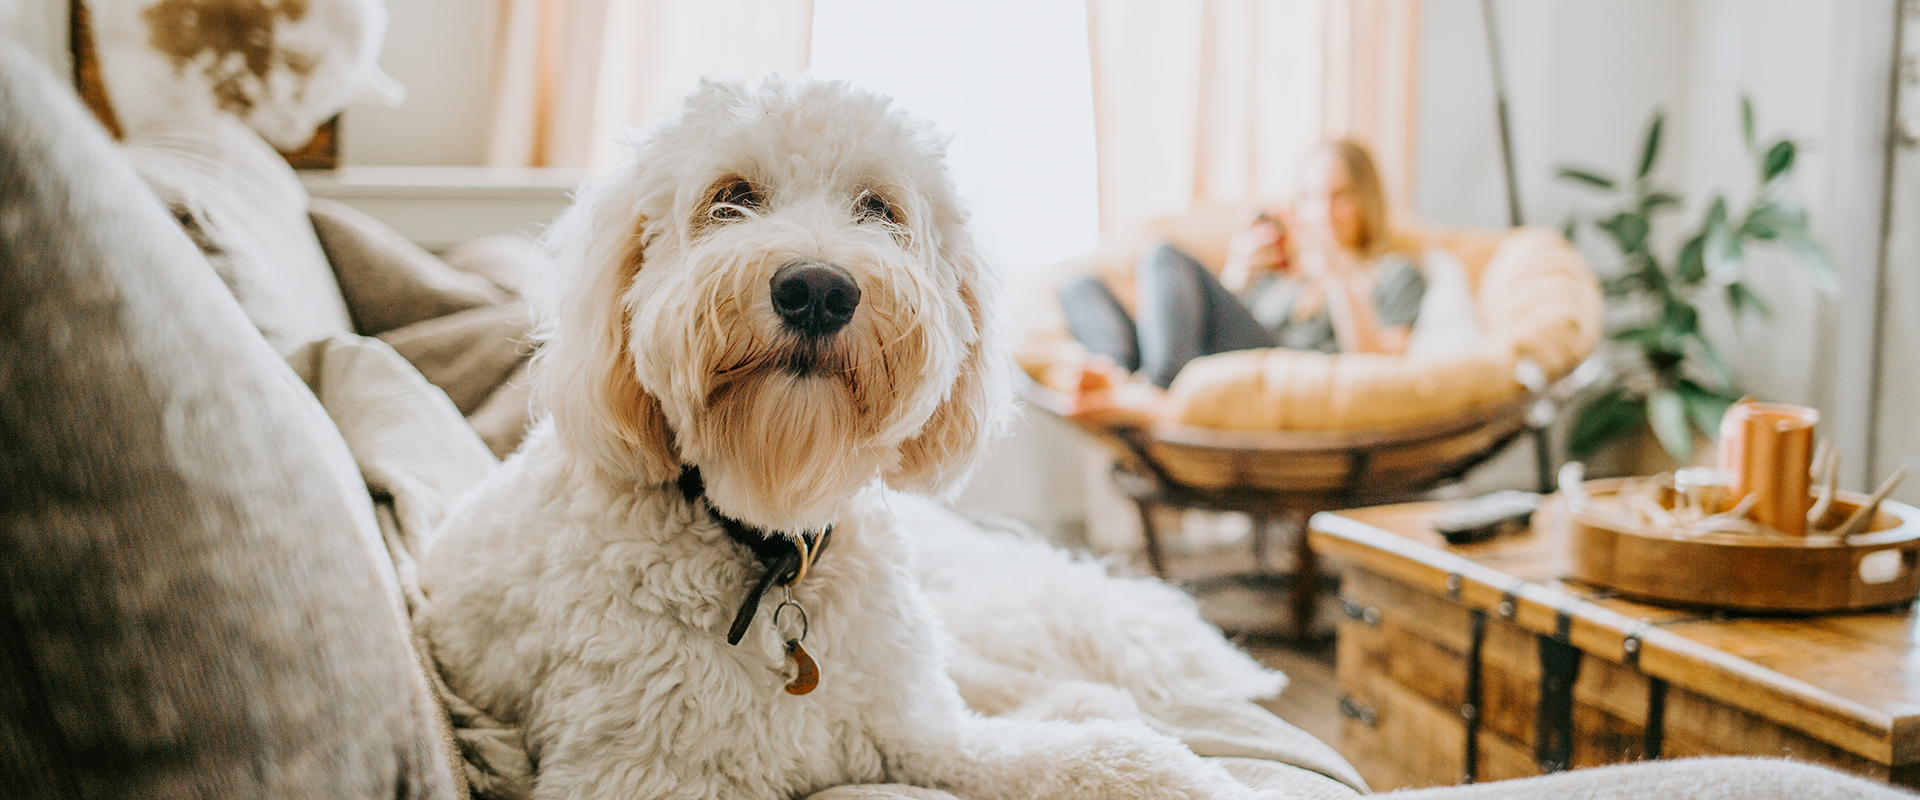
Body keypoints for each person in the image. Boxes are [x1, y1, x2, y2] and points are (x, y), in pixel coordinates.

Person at [1058, 139, 1427, 425]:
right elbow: (1204, 326)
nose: (1323, 211)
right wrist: (1237, 277)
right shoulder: (1284, 272)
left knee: (1163, 255)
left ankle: (1160, 389)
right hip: (1217, 358)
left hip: (1280, 366)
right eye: (1312, 197)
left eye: (1339, 196)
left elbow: (1382, 369)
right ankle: (1114, 375)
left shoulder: (1395, 273)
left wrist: (1337, 275)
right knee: (1079, 288)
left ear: (1366, 200)